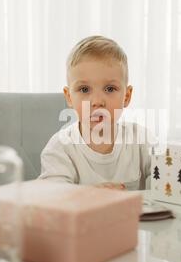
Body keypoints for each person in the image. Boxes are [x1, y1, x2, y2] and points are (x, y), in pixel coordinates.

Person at [38, 35, 153, 190]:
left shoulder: (141, 140)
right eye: (84, 89)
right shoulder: (60, 147)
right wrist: (89, 195)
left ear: (126, 96)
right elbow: (54, 196)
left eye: (110, 89)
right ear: (69, 97)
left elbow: (166, 184)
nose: (97, 101)